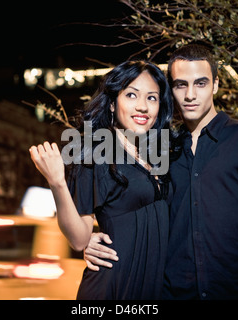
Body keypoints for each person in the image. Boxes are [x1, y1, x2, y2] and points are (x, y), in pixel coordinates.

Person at [83, 44, 238, 300]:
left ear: (215, 84)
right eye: (181, 85)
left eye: (200, 83)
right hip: (171, 294)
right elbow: (133, 208)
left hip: (234, 292)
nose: (190, 94)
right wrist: (88, 241)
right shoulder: (160, 149)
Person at [29, 60, 174, 299]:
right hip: (112, 288)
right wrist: (57, 183)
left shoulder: (161, 152)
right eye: (131, 95)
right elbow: (78, 239)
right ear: (112, 105)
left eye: (152, 98)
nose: (142, 107)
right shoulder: (95, 154)